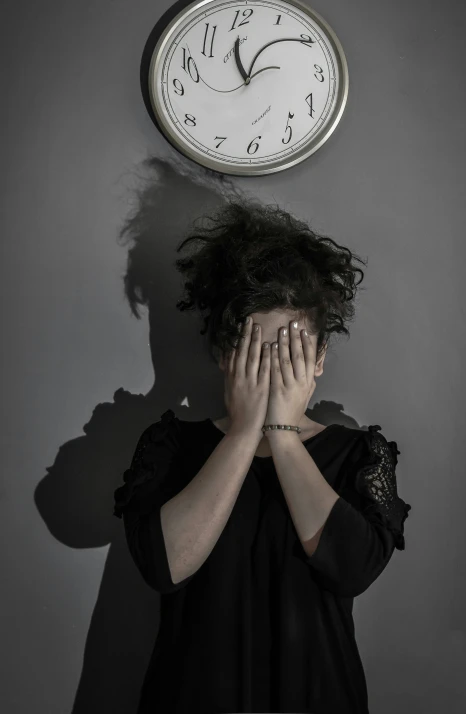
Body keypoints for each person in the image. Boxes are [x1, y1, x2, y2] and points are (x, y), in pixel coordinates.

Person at [113, 196, 412, 714]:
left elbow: (353, 569)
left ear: (318, 359)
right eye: (256, 348)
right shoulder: (171, 448)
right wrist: (244, 431)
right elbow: (167, 567)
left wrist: (282, 432)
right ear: (224, 353)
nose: (274, 367)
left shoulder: (360, 455)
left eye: (293, 351)